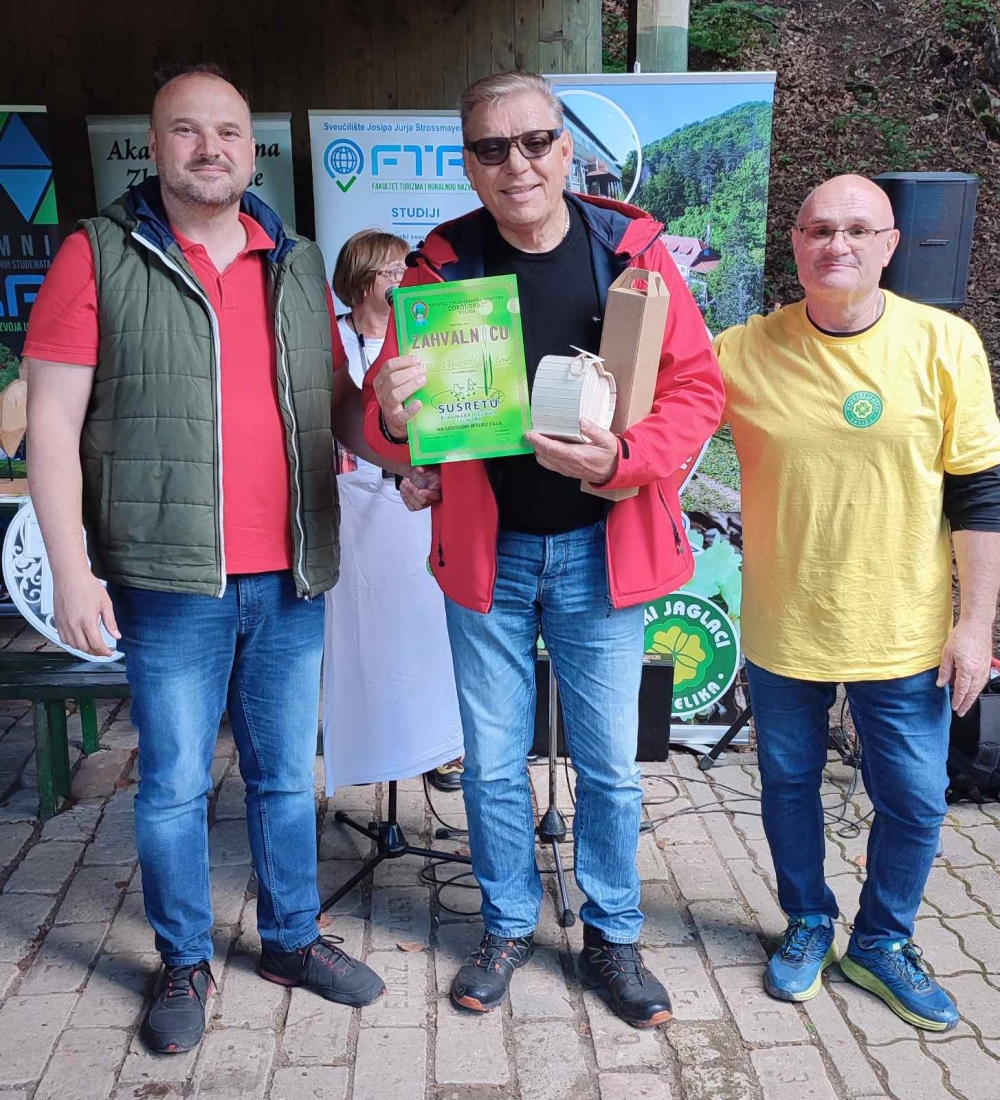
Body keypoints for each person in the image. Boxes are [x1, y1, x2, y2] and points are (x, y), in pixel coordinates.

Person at [23, 63, 394, 1056]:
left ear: (250, 150)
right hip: (168, 578)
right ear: (153, 147)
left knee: (285, 776)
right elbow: (49, 424)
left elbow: (334, 408)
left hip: (290, 571)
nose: (209, 148)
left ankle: (291, 939)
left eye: (227, 132)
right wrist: (70, 569)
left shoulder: (297, 261)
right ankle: (183, 956)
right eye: (186, 131)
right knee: (176, 783)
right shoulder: (97, 254)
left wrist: (399, 438)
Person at [364, 71, 725, 1027]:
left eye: (534, 142)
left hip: (603, 549)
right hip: (491, 554)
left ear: (566, 150)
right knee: (490, 763)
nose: (516, 164)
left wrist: (626, 459)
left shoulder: (631, 256)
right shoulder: (440, 272)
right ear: (469, 163)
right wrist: (394, 421)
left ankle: (612, 935)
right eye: (492, 148)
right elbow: (389, 420)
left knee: (609, 766)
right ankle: (507, 924)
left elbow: (697, 390)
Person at [715, 174, 1000, 1031]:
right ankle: (807, 919)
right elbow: (652, 413)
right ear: (796, 244)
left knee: (915, 799)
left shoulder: (944, 344)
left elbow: (979, 494)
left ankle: (880, 940)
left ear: (890, 245)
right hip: (784, 626)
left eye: (857, 230)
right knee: (787, 784)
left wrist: (976, 625)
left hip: (903, 631)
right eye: (818, 230)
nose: (836, 244)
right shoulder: (741, 350)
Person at [323, 229, 464, 791]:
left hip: (415, 503)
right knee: (364, 633)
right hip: (350, 506)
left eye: (408, 267)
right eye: (393, 270)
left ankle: (438, 746)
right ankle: (373, 747)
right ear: (363, 281)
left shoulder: (421, 337)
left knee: (424, 628)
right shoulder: (333, 339)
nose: (406, 277)